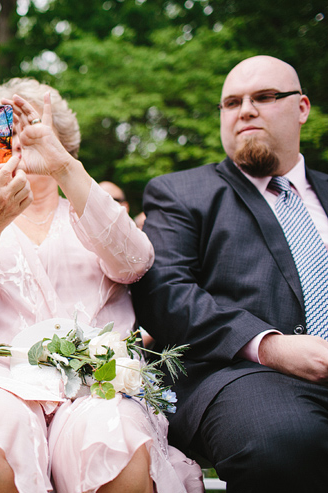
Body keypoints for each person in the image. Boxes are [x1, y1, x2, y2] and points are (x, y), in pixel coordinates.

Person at [0, 78, 203, 493]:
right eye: (5, 128)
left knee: (115, 439)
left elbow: (135, 263)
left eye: (29, 127)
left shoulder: (89, 210)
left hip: (97, 383)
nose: (16, 140)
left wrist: (63, 168)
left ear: (63, 144)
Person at [131, 55, 328, 491]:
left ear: (302, 108)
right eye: (232, 102)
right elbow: (166, 296)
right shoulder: (180, 193)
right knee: (286, 440)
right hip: (241, 376)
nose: (246, 110)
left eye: (264, 97)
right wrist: (272, 348)